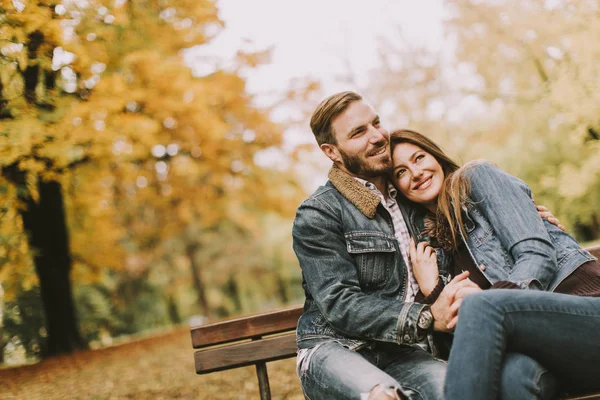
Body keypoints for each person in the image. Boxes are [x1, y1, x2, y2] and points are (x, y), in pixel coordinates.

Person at [292, 92, 561, 400]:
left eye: (376, 123)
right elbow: (340, 303)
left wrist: (528, 214)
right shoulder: (320, 213)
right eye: (358, 132)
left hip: (404, 352)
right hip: (336, 348)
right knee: (382, 397)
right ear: (332, 152)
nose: (377, 136)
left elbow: (468, 226)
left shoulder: (413, 199)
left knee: (459, 392)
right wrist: (427, 316)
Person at [388, 129, 600, 399]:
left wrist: (491, 302)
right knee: (513, 378)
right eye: (401, 172)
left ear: (437, 158)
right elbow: (467, 348)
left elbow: (537, 254)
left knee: (480, 306)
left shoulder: (477, 179)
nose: (415, 173)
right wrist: (434, 292)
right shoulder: (433, 252)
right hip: (554, 357)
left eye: (419, 158)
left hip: (587, 315)